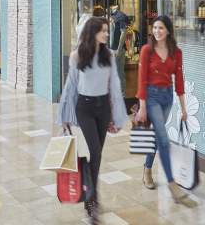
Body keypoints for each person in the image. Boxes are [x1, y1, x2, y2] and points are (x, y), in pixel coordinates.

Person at [58, 16, 128, 222]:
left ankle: (91, 196)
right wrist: (64, 114)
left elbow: (114, 87)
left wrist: (117, 117)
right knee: (94, 150)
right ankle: (93, 197)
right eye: (103, 30)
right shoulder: (77, 56)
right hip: (84, 107)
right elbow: (70, 86)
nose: (107, 33)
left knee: (96, 156)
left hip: (103, 107)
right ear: (92, 32)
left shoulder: (110, 55)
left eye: (107, 30)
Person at [135, 15, 193, 205]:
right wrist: (142, 107)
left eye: (161, 28)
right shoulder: (146, 50)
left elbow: (180, 82)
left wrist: (184, 108)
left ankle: (147, 168)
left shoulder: (176, 52)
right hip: (151, 97)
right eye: (155, 28)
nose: (157, 31)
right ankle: (172, 183)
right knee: (163, 138)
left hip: (167, 97)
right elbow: (142, 80)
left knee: (155, 136)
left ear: (168, 30)